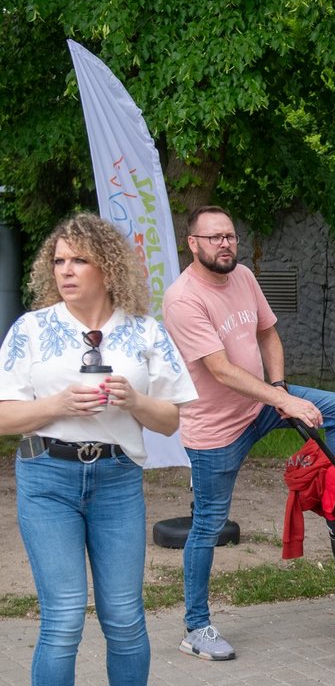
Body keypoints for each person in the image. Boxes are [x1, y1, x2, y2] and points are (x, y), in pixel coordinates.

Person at [0, 213, 197, 686]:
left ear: (107, 268)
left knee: (126, 621)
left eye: (79, 260)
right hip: (47, 476)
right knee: (64, 620)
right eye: (59, 260)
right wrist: (57, 404)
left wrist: (135, 400)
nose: (65, 270)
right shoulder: (30, 329)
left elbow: (170, 420)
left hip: (117, 480)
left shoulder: (146, 332)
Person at [162, 205, 335, 661]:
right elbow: (221, 371)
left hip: (261, 405)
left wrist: (280, 388)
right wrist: (283, 403)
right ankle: (196, 627)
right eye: (214, 238)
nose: (225, 243)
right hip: (215, 431)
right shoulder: (183, 298)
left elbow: (268, 335)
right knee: (208, 525)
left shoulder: (244, 277)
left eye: (229, 235)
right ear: (193, 244)